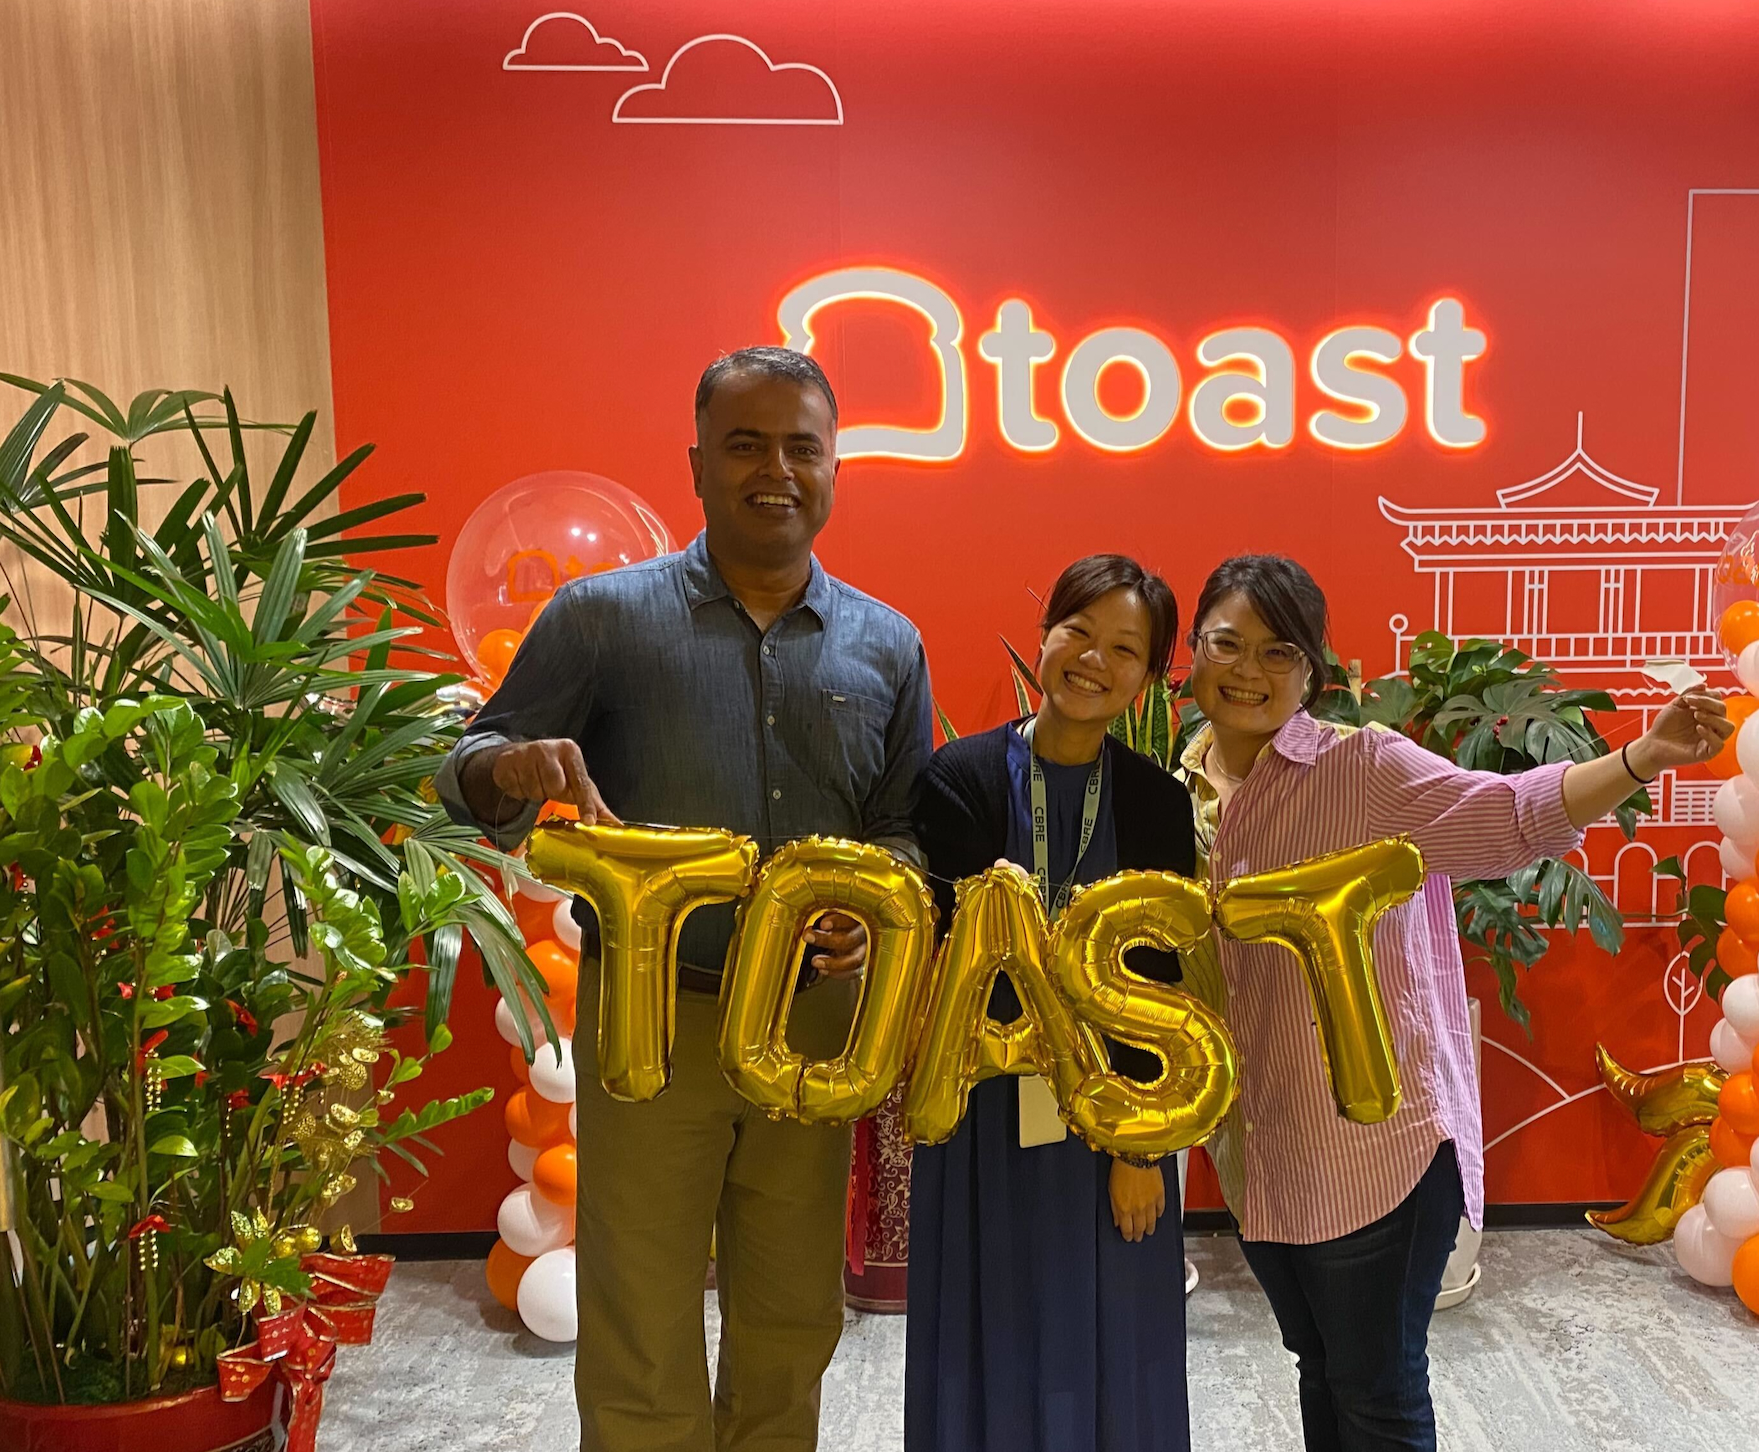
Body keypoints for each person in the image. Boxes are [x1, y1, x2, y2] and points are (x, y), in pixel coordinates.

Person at [436, 346, 933, 1452]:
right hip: (650, 1019)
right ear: (698, 464)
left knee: (792, 1308)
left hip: (810, 1026)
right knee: (641, 1307)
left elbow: (908, 828)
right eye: (746, 444)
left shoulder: (887, 645)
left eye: (802, 447)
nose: (777, 469)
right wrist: (506, 771)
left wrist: (880, 894)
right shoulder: (604, 618)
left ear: (835, 468)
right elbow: (466, 764)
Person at [1177, 555, 1730, 1452]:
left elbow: (1508, 815)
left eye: (1277, 652)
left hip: (1376, 1149)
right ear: (1192, 654)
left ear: (1313, 671)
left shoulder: (1363, 768)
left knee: (1380, 1396)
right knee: (1321, 1369)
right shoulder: (1181, 789)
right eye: (1226, 644)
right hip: (1263, 1148)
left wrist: (1641, 757)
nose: (1247, 671)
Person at [904, 555, 1197, 1452]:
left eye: (1124, 648)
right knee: (985, 1324)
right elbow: (947, 962)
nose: (1093, 660)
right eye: (1078, 631)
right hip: (985, 1117)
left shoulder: (1155, 802)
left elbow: (1163, 988)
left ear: (1150, 678)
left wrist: (1136, 1147)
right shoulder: (956, 779)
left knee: (1116, 1336)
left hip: (1114, 1113)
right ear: (1044, 636)